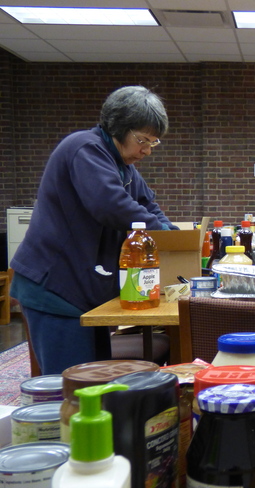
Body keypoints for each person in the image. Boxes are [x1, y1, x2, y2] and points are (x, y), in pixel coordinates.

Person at [10, 85, 179, 375]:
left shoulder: (124, 166)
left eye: (154, 142)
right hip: (56, 286)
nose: (147, 150)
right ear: (118, 127)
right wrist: (164, 234)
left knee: (95, 377)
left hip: (86, 292)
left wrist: (171, 234)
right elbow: (112, 206)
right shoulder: (85, 148)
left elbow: (148, 205)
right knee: (72, 384)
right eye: (142, 140)